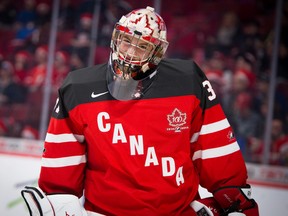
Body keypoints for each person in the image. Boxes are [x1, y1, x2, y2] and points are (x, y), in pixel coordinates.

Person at [21, 6, 259, 216]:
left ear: (157, 52)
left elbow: (217, 151)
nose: (131, 52)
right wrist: (60, 203)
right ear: (115, 38)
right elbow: (60, 177)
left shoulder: (187, 81)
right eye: (126, 41)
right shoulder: (78, 88)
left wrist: (234, 202)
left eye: (142, 46)